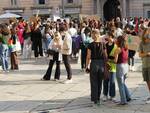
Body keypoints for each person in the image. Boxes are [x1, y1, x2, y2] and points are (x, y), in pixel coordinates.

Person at [86, 29, 107, 105]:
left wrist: (87, 66)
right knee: (100, 82)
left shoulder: (90, 45)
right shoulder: (103, 44)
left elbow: (88, 56)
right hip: (101, 64)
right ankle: (98, 98)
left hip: (94, 64)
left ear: (93, 35)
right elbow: (105, 55)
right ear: (99, 35)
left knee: (93, 82)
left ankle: (95, 99)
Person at [114, 35, 131, 105]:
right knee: (123, 83)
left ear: (118, 41)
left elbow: (115, 60)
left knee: (120, 84)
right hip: (126, 66)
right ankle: (128, 96)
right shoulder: (126, 48)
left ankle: (123, 100)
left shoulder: (118, 49)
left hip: (120, 66)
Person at [102, 31, 117, 101]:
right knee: (105, 80)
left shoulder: (116, 45)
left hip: (113, 65)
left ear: (110, 36)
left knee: (112, 81)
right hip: (106, 65)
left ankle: (112, 95)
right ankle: (105, 95)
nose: (105, 36)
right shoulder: (105, 44)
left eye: (107, 35)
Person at [139, 28, 150, 104]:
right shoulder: (141, 43)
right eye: (146, 32)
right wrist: (146, 54)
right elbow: (140, 54)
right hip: (144, 65)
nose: (147, 34)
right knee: (147, 81)